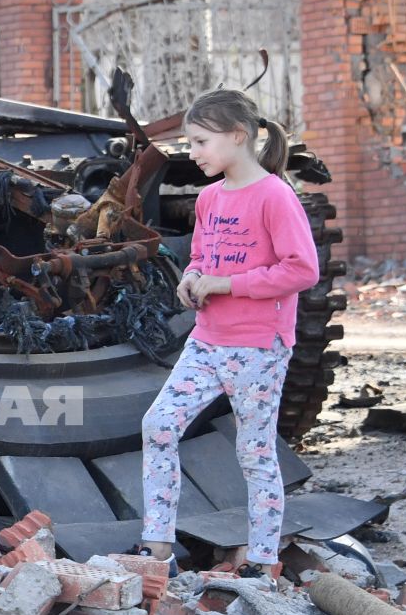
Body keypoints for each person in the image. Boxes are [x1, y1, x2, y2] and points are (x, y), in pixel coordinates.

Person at [136, 89, 320, 585]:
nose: (192, 153)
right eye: (189, 143)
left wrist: (227, 284)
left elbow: (302, 269)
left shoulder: (276, 196)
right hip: (207, 339)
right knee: (158, 425)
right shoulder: (210, 198)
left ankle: (262, 558)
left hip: (259, 345)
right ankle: (157, 546)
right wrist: (191, 278)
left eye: (199, 141)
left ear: (238, 136)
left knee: (254, 449)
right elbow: (201, 256)